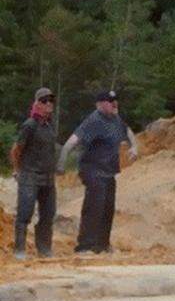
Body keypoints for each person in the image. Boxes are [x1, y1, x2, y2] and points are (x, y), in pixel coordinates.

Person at [57, 90, 139, 254]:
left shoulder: (115, 119)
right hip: (92, 169)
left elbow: (128, 131)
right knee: (95, 206)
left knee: (108, 207)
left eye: (115, 100)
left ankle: (102, 245)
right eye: (110, 101)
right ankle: (85, 246)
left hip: (109, 171)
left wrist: (134, 147)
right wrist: (61, 164)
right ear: (100, 104)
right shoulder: (94, 121)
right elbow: (71, 142)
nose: (114, 104)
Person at [10, 88, 58, 260]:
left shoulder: (49, 126)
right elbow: (16, 149)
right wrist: (17, 170)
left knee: (48, 213)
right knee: (25, 213)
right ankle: (20, 250)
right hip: (30, 175)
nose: (49, 104)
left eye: (51, 100)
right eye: (45, 100)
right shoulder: (30, 125)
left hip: (48, 177)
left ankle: (44, 249)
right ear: (37, 103)